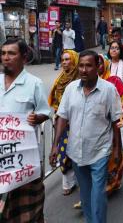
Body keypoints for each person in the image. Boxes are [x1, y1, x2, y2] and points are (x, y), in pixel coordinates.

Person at [50, 50, 123, 223]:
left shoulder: (109, 90)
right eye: (81, 65)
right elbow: (62, 116)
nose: (84, 70)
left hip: (100, 151)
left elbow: (115, 121)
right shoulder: (70, 89)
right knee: (85, 194)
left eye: (88, 65)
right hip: (76, 152)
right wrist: (55, 145)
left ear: (98, 66)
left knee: (98, 195)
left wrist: (118, 149)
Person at [0, 38, 51, 223]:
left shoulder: (34, 83)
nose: (6, 58)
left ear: (23, 57)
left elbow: (46, 112)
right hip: (1, 162)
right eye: (3, 53)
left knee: (28, 212)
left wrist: (37, 117)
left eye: (11, 53)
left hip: (24, 161)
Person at [48, 50, 79, 196]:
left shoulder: (80, 78)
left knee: (78, 151)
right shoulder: (60, 78)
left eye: (67, 59)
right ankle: (68, 182)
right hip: (62, 122)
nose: (65, 62)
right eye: (62, 60)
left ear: (73, 60)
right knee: (63, 151)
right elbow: (54, 100)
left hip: (77, 122)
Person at [98, 54, 123, 194]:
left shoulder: (114, 81)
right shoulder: (84, 83)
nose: (98, 67)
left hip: (113, 124)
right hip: (97, 129)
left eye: (100, 63)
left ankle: (113, 183)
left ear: (105, 65)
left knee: (114, 154)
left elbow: (121, 104)